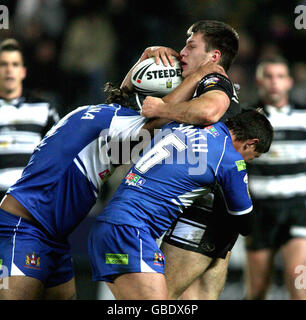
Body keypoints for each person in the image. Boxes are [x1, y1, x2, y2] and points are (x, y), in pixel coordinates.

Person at [0, 55, 218, 299]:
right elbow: (161, 117)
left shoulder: (99, 115)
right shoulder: (121, 123)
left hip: (52, 235)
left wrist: (144, 58)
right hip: (24, 228)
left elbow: (127, 96)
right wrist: (198, 77)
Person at [88, 110, 274, 300]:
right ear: (251, 143)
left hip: (109, 230)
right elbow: (245, 223)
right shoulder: (228, 159)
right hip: (130, 232)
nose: (248, 160)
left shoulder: (181, 125)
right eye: (253, 156)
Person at [122, 20, 241, 299]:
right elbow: (124, 106)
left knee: (158, 301)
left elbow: (209, 111)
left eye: (191, 46)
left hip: (199, 216)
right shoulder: (198, 86)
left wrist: (163, 107)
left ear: (214, 57)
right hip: (216, 217)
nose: (182, 52)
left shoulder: (214, 81)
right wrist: (144, 63)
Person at [244, 56, 306, 300]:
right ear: (259, 80)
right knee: (257, 290)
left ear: (289, 82)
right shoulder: (246, 119)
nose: (274, 83)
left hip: (297, 206)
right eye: (268, 76)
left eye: (280, 76)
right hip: (259, 208)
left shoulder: (303, 116)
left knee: (297, 281)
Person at [0, 38, 60, 201]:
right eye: (3, 64)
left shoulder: (44, 108)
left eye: (15, 64)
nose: (9, 70)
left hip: (31, 197)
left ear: (23, 71)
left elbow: (59, 151)